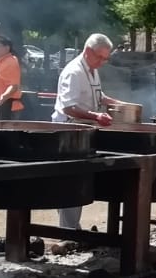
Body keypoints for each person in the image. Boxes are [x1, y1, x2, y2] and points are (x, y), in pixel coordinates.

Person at [52, 34, 128, 230]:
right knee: (71, 181)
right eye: (100, 57)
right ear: (87, 51)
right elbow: (68, 107)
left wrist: (120, 104)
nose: (102, 62)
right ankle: (68, 231)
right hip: (68, 133)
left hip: (83, 132)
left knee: (79, 179)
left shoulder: (92, 69)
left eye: (106, 59)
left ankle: (71, 228)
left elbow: (98, 95)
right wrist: (96, 116)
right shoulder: (74, 72)